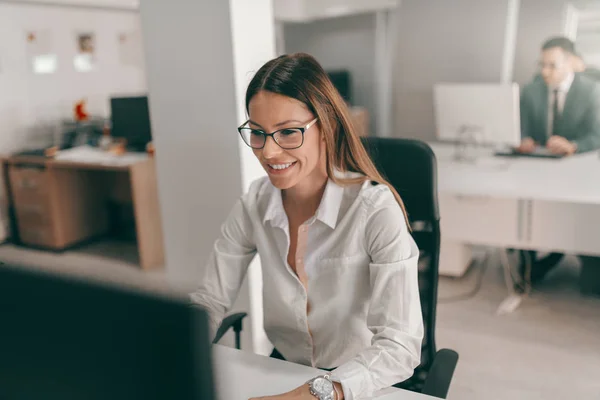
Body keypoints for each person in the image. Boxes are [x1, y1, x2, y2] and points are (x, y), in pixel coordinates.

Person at [190, 53, 423, 400]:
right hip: (285, 369)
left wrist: (312, 395)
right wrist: (173, 352)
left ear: (325, 125)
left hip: (360, 381)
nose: (268, 152)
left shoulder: (375, 211)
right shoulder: (255, 203)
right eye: (257, 133)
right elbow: (209, 299)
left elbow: (400, 345)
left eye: (287, 132)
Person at [517, 36, 600, 156]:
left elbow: (596, 135)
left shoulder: (591, 91)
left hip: (573, 160)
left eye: (552, 65)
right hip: (536, 158)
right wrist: (523, 140)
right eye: (542, 65)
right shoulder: (531, 90)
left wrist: (574, 146)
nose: (544, 72)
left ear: (570, 63)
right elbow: (521, 128)